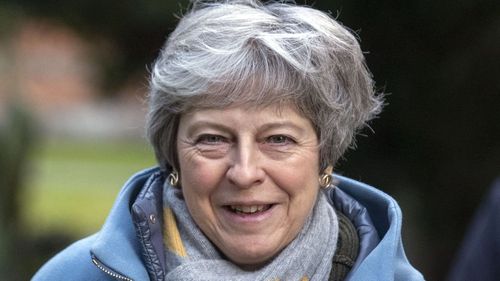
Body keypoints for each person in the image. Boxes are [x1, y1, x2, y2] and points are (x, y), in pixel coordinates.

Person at [33, 0, 424, 280]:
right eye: (212, 139)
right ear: (173, 155)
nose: (245, 172)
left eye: (279, 139)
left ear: (325, 157)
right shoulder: (73, 275)